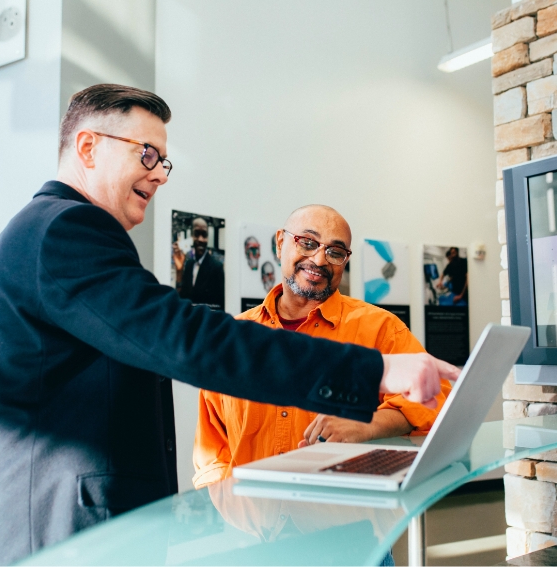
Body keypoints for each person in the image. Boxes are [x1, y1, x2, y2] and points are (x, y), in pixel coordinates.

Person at [0, 84, 459, 565]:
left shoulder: (51, 231)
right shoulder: (66, 229)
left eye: (163, 161)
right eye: (146, 153)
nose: (160, 174)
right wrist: (374, 373)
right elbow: (186, 338)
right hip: (50, 534)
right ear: (87, 148)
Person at [193, 205, 452, 489]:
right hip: (251, 523)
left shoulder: (381, 328)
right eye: (307, 242)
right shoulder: (235, 338)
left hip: (343, 519)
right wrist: (227, 512)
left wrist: (367, 424)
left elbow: (437, 398)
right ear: (280, 243)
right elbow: (211, 451)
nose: (319, 259)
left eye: (335, 252)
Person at [172, 217, 225, 310]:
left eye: (204, 235)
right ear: (191, 236)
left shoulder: (216, 267)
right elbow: (182, 299)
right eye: (196, 234)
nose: (200, 239)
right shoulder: (189, 264)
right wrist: (179, 271)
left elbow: (220, 306)